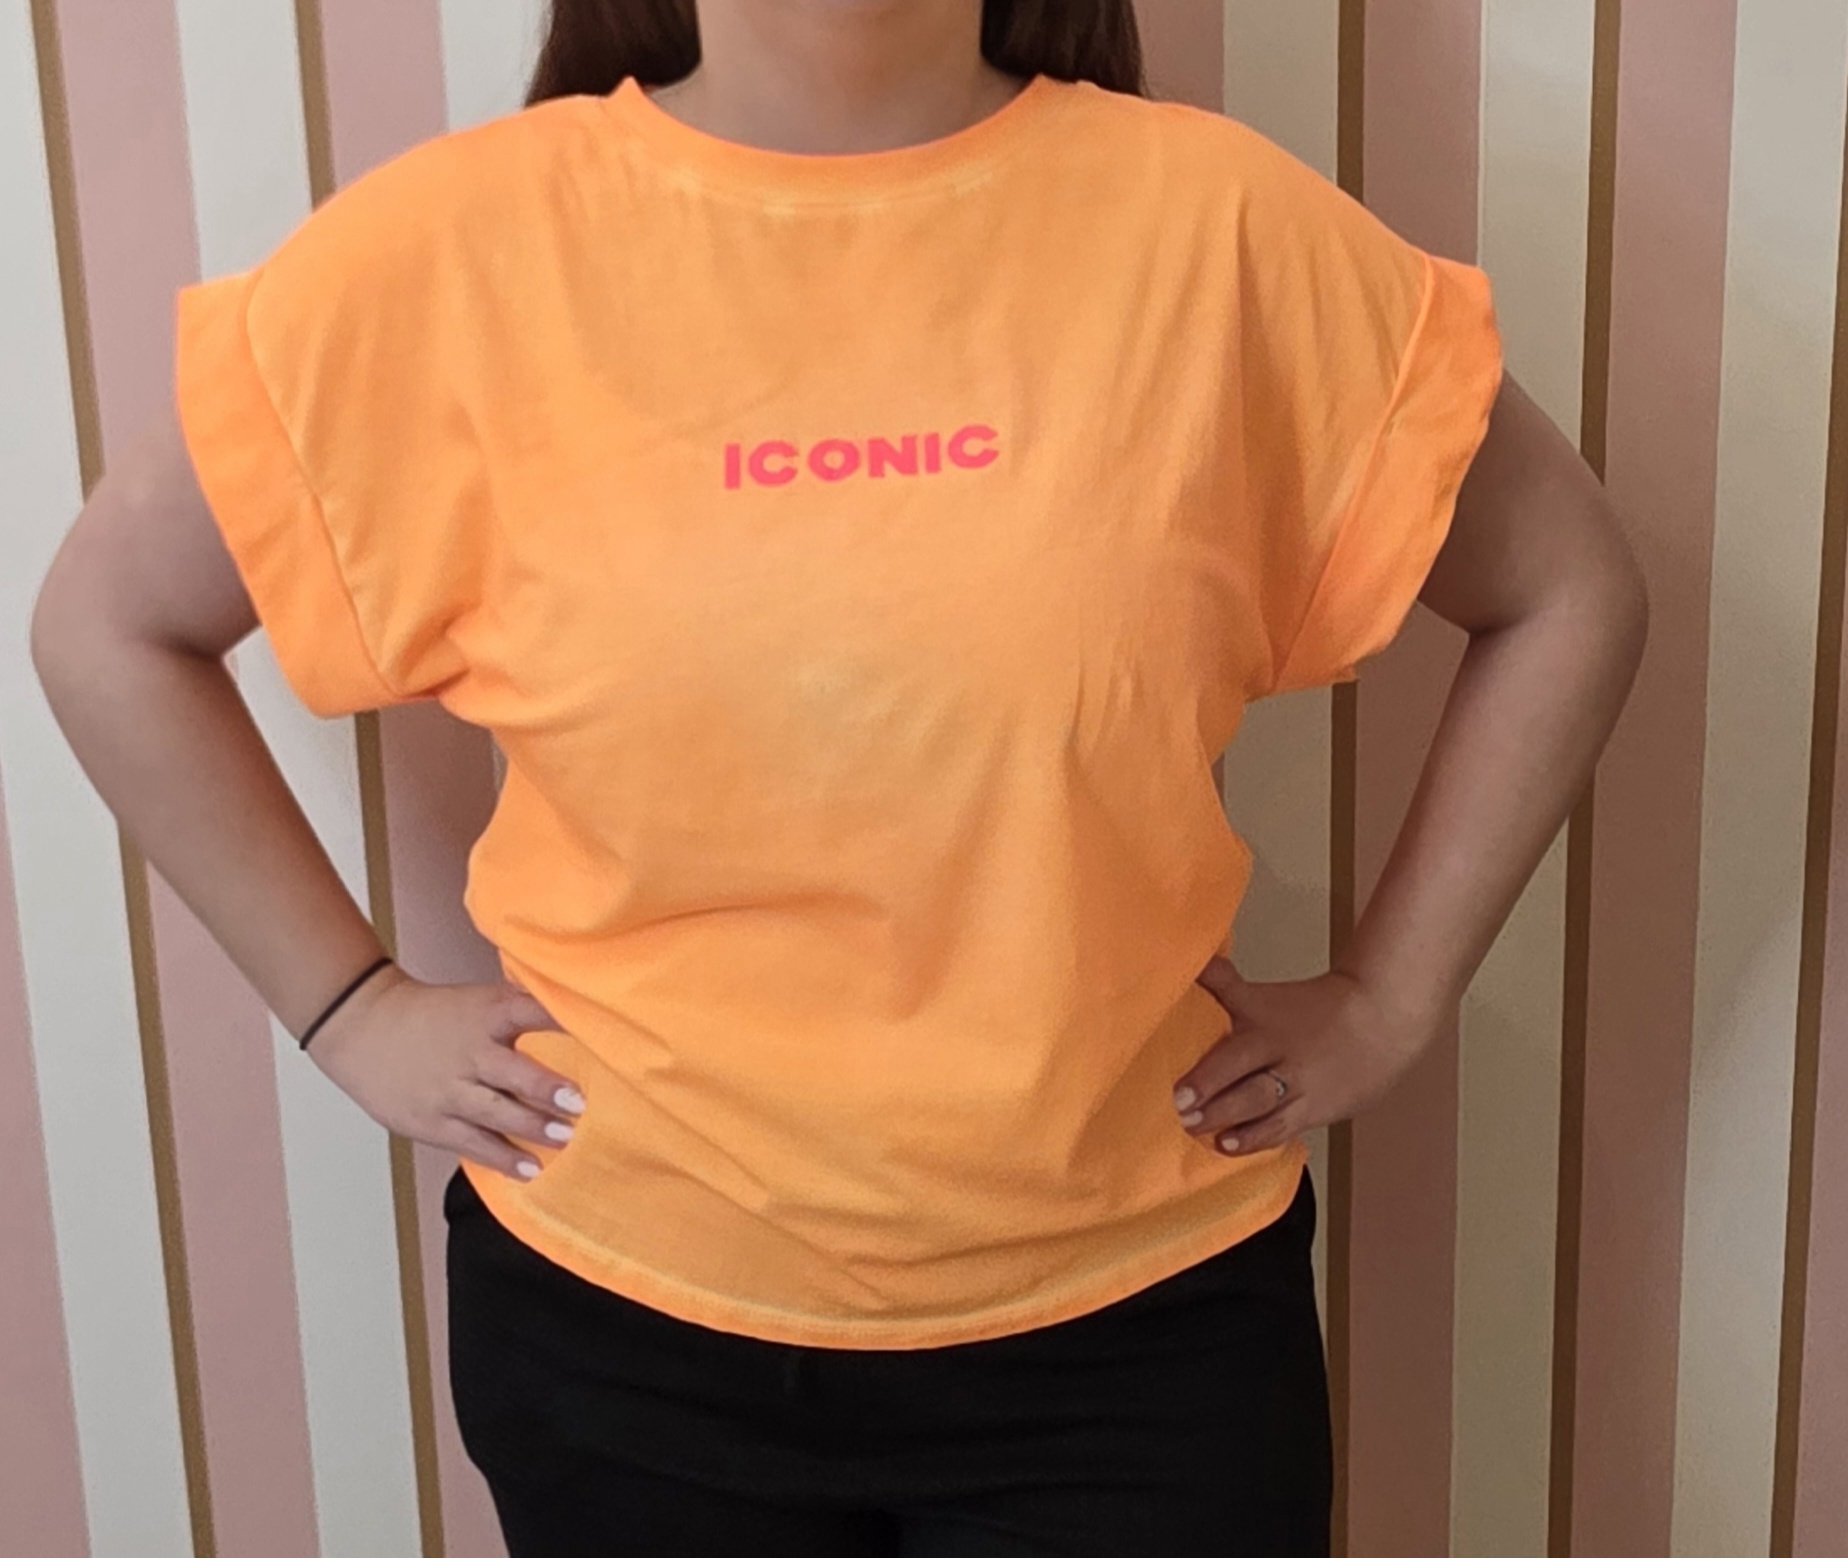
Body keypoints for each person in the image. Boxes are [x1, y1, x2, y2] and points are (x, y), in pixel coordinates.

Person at [29, 1, 1647, 1553]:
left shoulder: (1223, 232)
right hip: (625, 1339)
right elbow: (108, 626)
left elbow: (1568, 589)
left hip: (1139, 1341)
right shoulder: (447, 257)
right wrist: (350, 1008)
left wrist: (1387, 998)